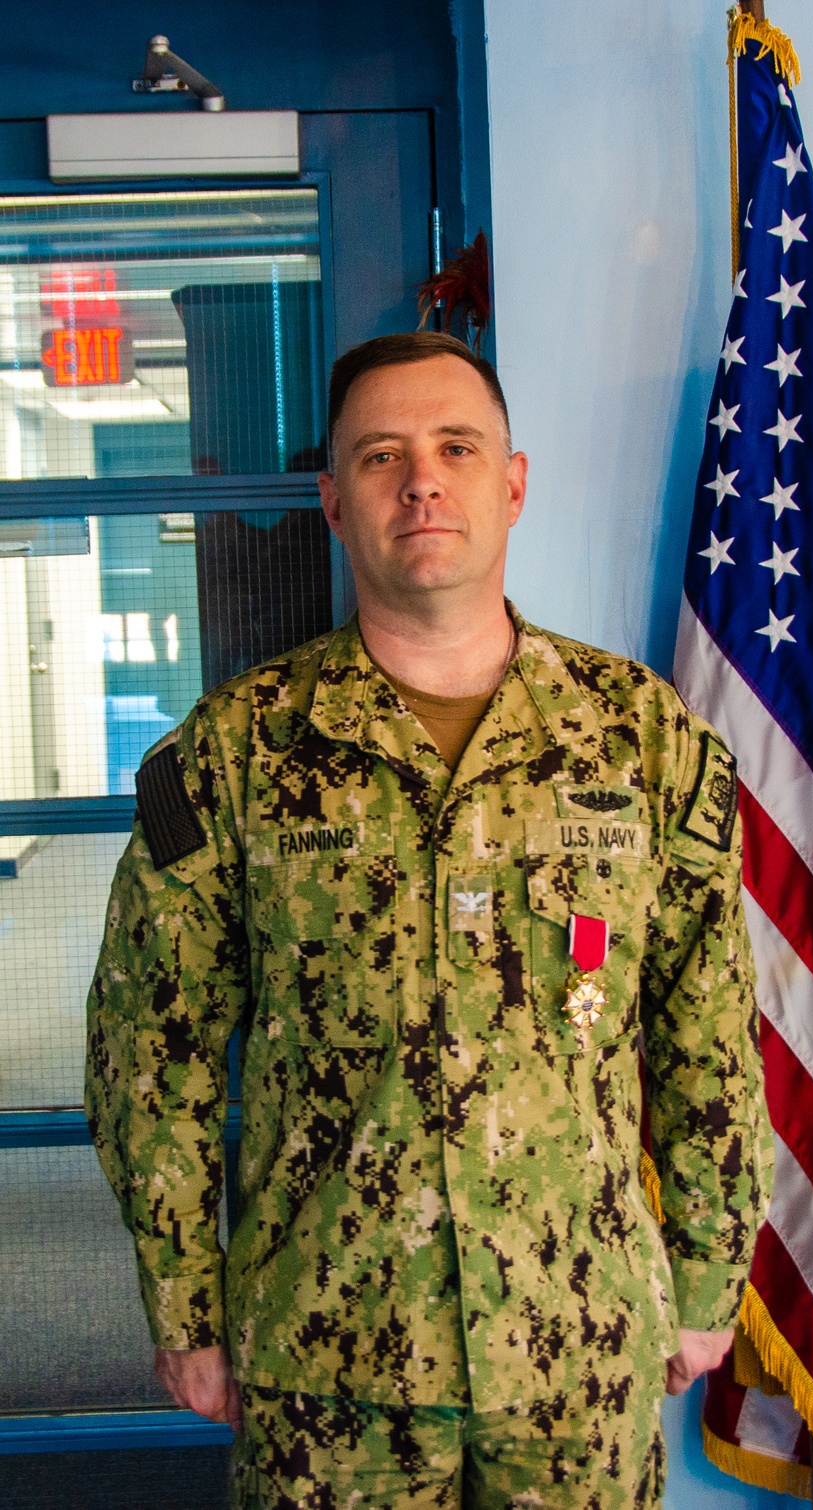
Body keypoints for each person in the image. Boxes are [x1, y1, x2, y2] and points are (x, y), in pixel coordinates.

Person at [85, 331, 772, 1509]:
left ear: (511, 483)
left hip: (580, 1349)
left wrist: (711, 1274)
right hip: (326, 1359)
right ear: (334, 503)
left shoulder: (643, 740)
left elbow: (709, 1028)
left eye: (457, 447)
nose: (422, 480)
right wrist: (187, 1304)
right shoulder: (234, 752)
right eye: (381, 455)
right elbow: (153, 1051)